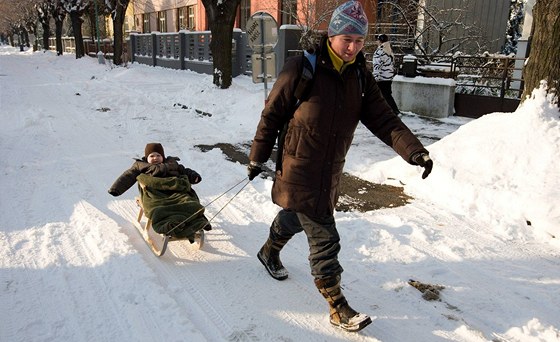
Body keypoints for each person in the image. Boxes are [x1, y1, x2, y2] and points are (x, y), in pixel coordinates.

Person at [246, 1, 433, 333]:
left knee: (296, 214)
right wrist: (257, 156)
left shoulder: (360, 78)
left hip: (330, 170)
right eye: (347, 39)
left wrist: (415, 152)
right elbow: (272, 114)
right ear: (332, 34)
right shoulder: (302, 68)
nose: (353, 47)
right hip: (298, 167)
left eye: (360, 41)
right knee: (324, 237)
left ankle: (268, 252)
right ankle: (337, 306)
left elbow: (385, 120)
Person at [109, 143, 211, 238]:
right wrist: (116, 189)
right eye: (152, 156)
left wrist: (194, 176)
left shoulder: (172, 163)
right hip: (155, 195)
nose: (155, 158)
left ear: (163, 156)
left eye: (158, 155)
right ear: (146, 158)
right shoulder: (140, 166)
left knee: (190, 203)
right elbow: (127, 176)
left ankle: (195, 222)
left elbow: (184, 171)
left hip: (176, 192)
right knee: (159, 209)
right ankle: (168, 224)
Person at [373, 34, 400, 115]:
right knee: (387, 95)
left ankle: (393, 111)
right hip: (388, 77)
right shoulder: (389, 50)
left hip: (381, 78)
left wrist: (375, 77)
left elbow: (377, 65)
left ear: (380, 41)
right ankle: (392, 110)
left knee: (378, 96)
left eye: (377, 40)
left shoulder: (380, 51)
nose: (376, 42)